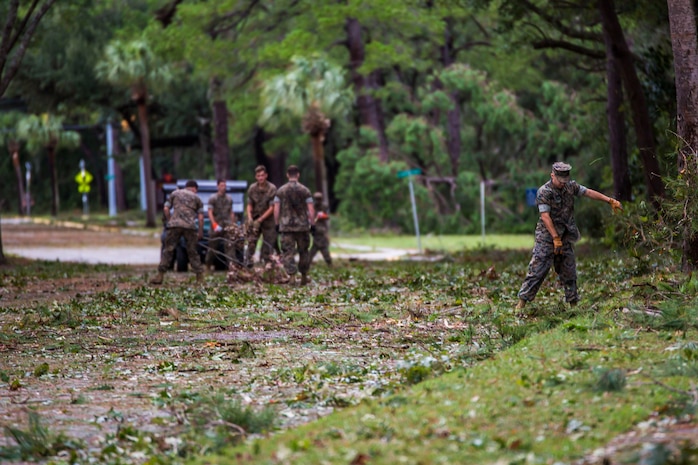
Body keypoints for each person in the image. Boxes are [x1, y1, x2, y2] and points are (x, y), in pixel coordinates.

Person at [516, 162, 622, 311]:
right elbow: (545, 217)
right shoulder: (544, 192)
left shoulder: (570, 186)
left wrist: (609, 200)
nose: (562, 184)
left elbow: (588, 192)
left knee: (569, 271)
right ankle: (521, 305)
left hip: (565, 235)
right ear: (552, 176)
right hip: (547, 237)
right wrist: (555, 238)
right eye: (560, 181)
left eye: (565, 181)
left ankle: (573, 306)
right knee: (537, 270)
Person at [151, 179, 204, 285]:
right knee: (192, 251)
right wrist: (200, 232)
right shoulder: (197, 198)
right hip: (190, 226)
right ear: (194, 188)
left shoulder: (174, 193)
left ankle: (160, 276)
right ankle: (199, 278)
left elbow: (166, 208)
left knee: (168, 250)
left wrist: (170, 220)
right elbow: (201, 218)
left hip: (174, 225)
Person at [273, 165, 315, 285]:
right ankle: (304, 275)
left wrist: (277, 223)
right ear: (298, 175)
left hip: (286, 227)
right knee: (304, 251)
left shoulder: (280, 191)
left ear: (287, 175)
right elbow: (311, 210)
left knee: (288, 252)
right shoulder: (305, 190)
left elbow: (276, 209)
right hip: (302, 227)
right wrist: (313, 224)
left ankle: (291, 276)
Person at [245, 165, 277, 267]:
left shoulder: (272, 188)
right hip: (255, 218)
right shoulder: (252, 188)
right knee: (251, 241)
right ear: (256, 177)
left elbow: (272, 207)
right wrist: (250, 217)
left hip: (268, 220)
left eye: (262, 175)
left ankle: (267, 264)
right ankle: (248, 263)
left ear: (266, 176)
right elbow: (249, 204)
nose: (260, 178)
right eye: (258, 176)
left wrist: (261, 219)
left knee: (268, 243)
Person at [205, 179, 237, 271]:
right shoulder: (213, 198)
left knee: (230, 246)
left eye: (224, 185)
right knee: (212, 247)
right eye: (221, 185)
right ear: (217, 186)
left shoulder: (229, 198)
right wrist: (214, 224)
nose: (223, 187)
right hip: (216, 224)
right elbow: (210, 212)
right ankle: (208, 265)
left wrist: (233, 224)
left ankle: (232, 267)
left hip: (227, 225)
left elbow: (231, 212)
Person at [309, 192, 332, 267]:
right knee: (317, 247)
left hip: (322, 229)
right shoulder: (312, 206)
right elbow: (309, 216)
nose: (318, 201)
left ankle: (329, 262)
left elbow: (328, 216)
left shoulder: (324, 206)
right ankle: (307, 263)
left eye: (319, 199)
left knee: (323, 247)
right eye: (317, 199)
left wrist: (322, 216)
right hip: (315, 229)